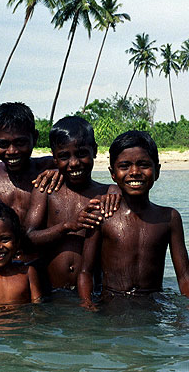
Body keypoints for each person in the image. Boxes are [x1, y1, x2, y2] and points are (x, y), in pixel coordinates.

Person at [78, 130, 189, 306]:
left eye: (143, 164)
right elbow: (85, 271)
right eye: (125, 166)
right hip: (111, 303)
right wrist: (87, 304)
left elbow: (185, 276)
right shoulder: (102, 215)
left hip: (152, 303)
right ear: (112, 173)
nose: (134, 172)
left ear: (157, 171)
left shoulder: (169, 218)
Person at [24, 116, 119, 291]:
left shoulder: (110, 193)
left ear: (95, 151)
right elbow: (28, 238)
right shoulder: (46, 190)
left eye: (82, 153)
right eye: (64, 156)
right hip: (51, 292)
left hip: (94, 291)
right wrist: (68, 226)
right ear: (54, 158)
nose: (74, 163)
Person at [0, 102, 63, 224]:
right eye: (3, 144)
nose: (12, 151)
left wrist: (61, 173)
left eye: (20, 142)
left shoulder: (49, 167)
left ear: (35, 138)